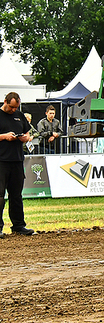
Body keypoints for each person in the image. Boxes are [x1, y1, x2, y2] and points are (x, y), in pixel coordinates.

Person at [0, 92, 35, 237]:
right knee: (0, 196)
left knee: (16, 195)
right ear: (5, 101)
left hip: (17, 160)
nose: (14, 110)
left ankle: (18, 225)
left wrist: (25, 137)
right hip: (1, 161)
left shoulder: (19, 115)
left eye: (16, 107)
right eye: (12, 107)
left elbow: (27, 132)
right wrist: (4, 136)